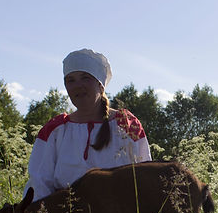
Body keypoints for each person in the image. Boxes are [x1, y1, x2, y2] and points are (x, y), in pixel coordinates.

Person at [23, 47, 152, 202]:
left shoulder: (126, 125)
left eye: (85, 78)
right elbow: (39, 183)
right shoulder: (55, 130)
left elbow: (145, 176)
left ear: (101, 85)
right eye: (71, 80)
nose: (78, 86)